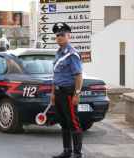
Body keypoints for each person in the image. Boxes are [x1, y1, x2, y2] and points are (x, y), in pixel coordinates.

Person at [51, 23, 84, 158]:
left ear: (68, 36)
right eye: (57, 35)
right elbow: (55, 75)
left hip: (68, 93)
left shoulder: (72, 54)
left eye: (62, 35)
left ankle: (77, 153)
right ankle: (66, 151)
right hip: (58, 93)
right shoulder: (58, 53)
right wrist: (53, 93)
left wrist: (77, 94)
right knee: (63, 122)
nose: (59, 37)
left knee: (73, 122)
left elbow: (78, 75)